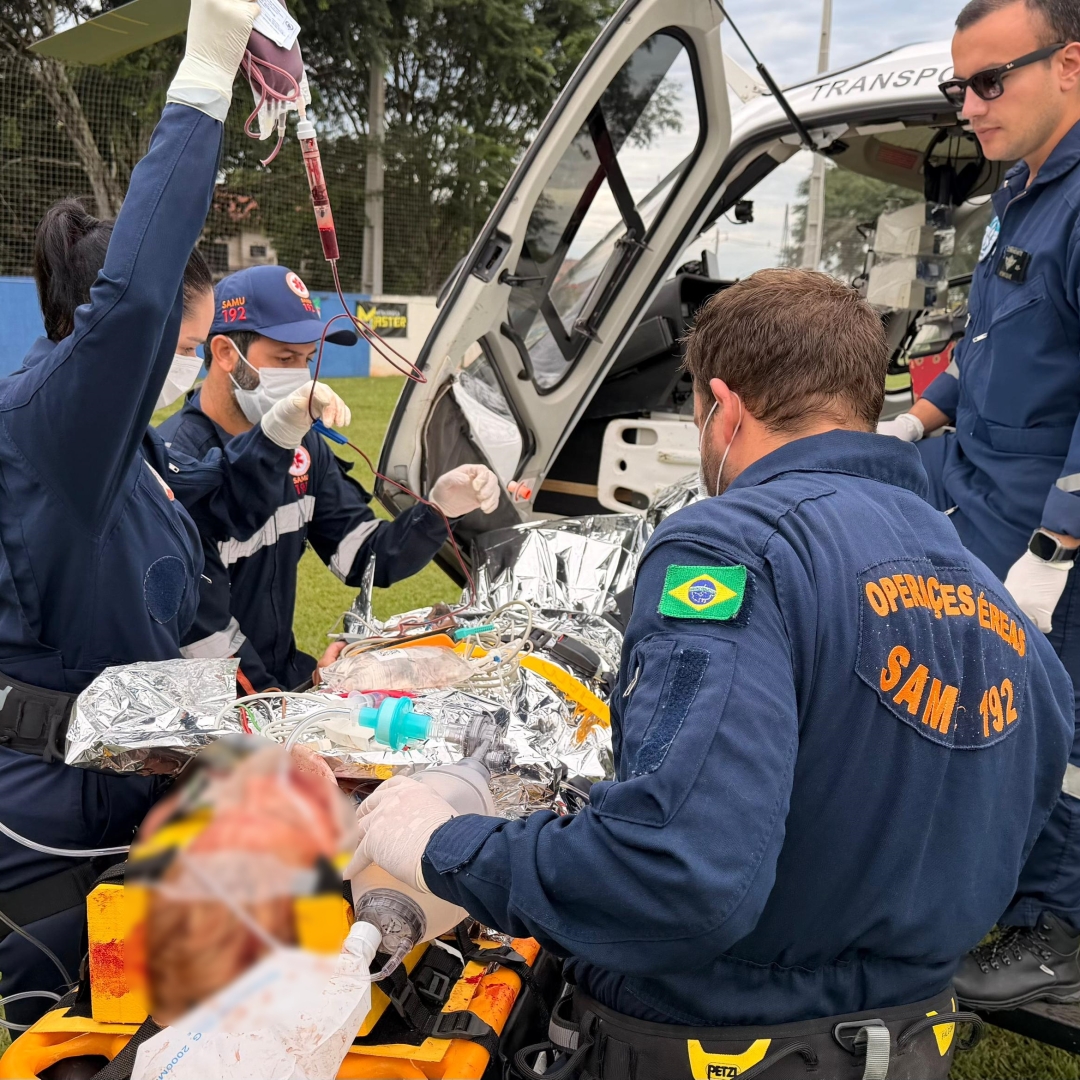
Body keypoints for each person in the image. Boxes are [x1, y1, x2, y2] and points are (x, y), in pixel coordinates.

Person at [347, 270, 1076, 1080]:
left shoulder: (734, 548)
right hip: (905, 1042)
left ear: (721, 407)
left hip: (712, 1042)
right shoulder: (998, 607)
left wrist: (447, 845)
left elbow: (674, 880)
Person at [0, 0, 309, 1028]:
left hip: (132, 794)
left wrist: (272, 714)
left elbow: (187, 612)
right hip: (55, 818)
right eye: (193, 330)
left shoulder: (123, 459)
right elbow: (134, 307)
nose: (191, 348)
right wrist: (205, 75)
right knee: (66, 1036)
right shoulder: (55, 426)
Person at [878, 0, 1080, 1008]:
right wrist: (916, 422)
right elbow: (992, 338)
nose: (970, 103)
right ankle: (1004, 882)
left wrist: (1054, 548)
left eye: (990, 81)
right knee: (997, 706)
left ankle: (1060, 926)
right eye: (960, 86)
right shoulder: (1023, 191)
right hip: (981, 492)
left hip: (1057, 526)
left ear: (1071, 65)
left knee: (1066, 728)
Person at [159, 264, 502, 691]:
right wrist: (285, 708)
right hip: (220, 704)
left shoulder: (304, 447)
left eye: (308, 360)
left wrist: (435, 511)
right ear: (226, 353)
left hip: (282, 682)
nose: (301, 377)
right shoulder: (177, 463)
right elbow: (203, 640)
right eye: (285, 359)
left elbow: (362, 557)